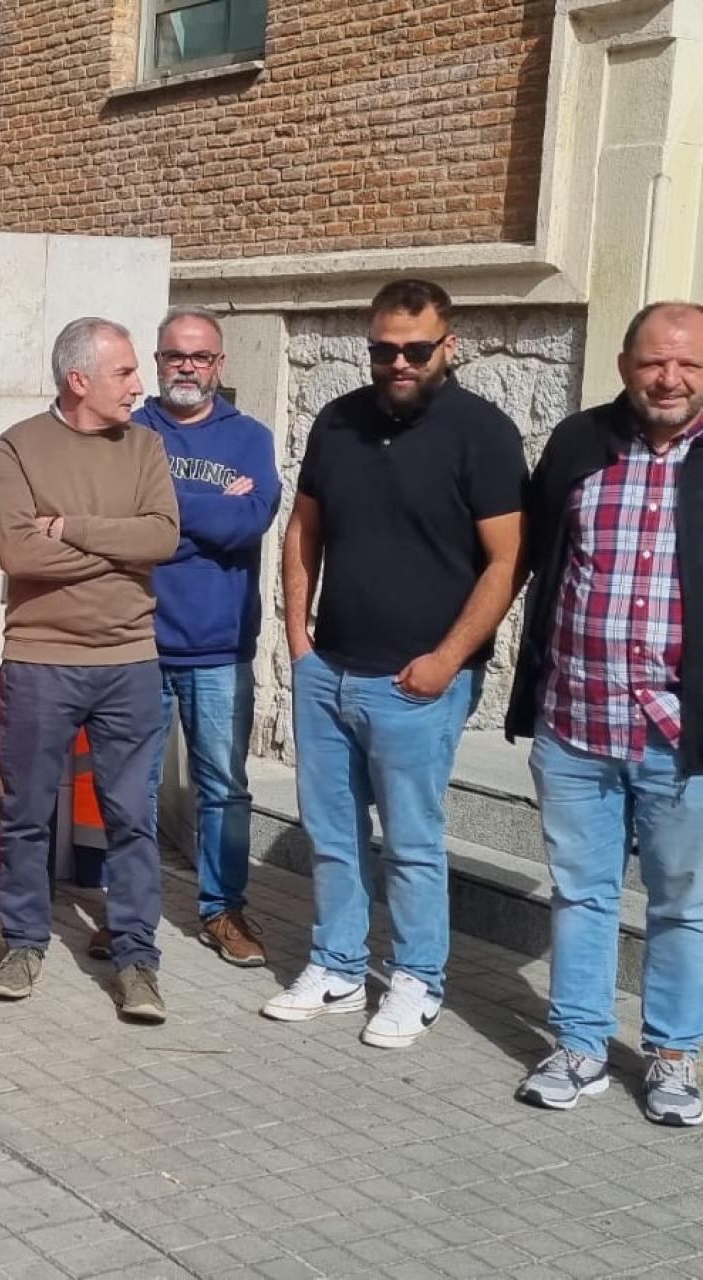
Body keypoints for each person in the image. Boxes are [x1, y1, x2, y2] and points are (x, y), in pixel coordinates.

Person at [266, 279, 525, 1048]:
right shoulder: (338, 422)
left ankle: (417, 980)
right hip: (330, 670)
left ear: (451, 344)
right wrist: (299, 643)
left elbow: (509, 560)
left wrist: (448, 660)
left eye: (416, 349)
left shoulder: (483, 433)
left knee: (411, 840)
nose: (399, 363)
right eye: (384, 350)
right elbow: (301, 532)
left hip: (419, 684)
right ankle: (339, 965)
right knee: (333, 832)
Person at [509, 302, 703, 1125]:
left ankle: (672, 1056)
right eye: (656, 362)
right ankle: (581, 1045)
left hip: (681, 736)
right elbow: (530, 558)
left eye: (689, 364)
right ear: (625, 365)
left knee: (682, 904)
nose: (671, 378)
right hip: (577, 722)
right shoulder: (579, 443)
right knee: (582, 896)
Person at [0, 317, 179, 1020]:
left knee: (133, 820)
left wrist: (74, 528)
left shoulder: (147, 446)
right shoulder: (20, 447)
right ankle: (25, 943)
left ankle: (136, 961)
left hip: (129, 660)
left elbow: (162, 537)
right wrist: (116, 548)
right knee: (27, 814)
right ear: (79, 381)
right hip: (41, 660)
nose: (140, 384)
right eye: (125, 372)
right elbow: (20, 554)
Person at [124, 306, 280, 966]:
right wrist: (209, 514)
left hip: (219, 646)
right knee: (131, 784)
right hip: (137, 638)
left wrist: (167, 515)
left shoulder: (249, 437)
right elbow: (120, 524)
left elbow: (250, 523)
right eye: (173, 356)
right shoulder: (128, 433)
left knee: (223, 786)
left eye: (200, 356)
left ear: (220, 365)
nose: (186, 366)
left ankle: (223, 912)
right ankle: (130, 912)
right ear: (157, 362)